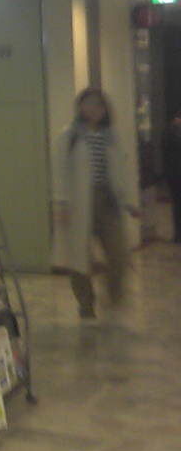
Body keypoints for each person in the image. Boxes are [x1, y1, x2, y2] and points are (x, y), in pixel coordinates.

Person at [52, 88, 138, 317]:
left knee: (119, 254)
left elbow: (123, 170)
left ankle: (113, 297)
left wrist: (130, 201)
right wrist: (61, 202)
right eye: (88, 104)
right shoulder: (69, 136)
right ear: (80, 107)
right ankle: (85, 303)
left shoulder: (112, 136)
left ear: (105, 109)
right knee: (79, 258)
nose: (93, 109)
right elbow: (59, 171)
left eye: (98, 105)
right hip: (78, 202)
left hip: (107, 201)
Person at [164, 109, 181, 243]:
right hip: (176, 173)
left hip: (173, 173)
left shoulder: (169, 130)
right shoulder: (174, 131)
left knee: (176, 204)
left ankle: (177, 235)